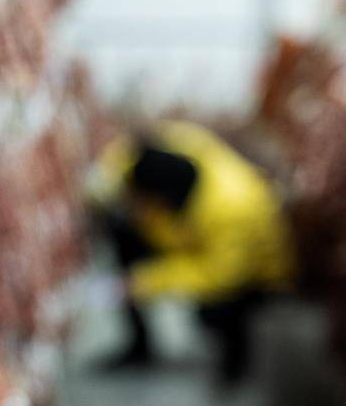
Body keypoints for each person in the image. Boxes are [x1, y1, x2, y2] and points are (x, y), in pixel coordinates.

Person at [90, 120, 295, 383]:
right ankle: (140, 346)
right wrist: (105, 178)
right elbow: (130, 154)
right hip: (189, 240)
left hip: (251, 273)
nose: (136, 208)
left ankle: (235, 364)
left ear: (164, 201)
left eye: (142, 204)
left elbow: (220, 275)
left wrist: (144, 282)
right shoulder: (179, 148)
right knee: (123, 234)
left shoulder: (235, 207)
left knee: (216, 309)